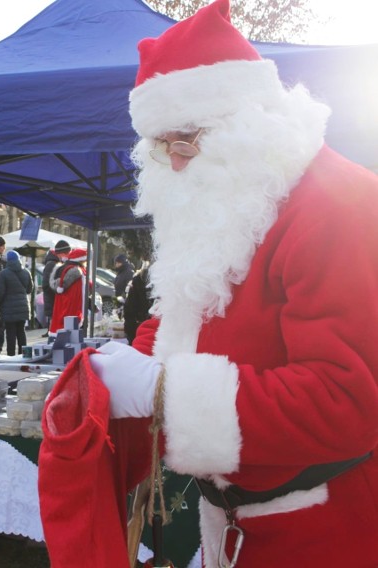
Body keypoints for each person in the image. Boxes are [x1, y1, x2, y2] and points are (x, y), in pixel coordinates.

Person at [87, 1, 377, 565]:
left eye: (185, 139)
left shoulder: (344, 205)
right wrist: (127, 360)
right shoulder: (231, 200)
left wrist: (158, 390)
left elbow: (348, 400)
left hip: (324, 525)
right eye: (159, 145)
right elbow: (187, 316)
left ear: (253, 119)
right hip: (230, 521)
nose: (174, 164)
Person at [0, 250, 33, 357]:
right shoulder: (26, 272)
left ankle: (11, 356)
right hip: (23, 306)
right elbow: (30, 289)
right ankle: (24, 355)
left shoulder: (3, 274)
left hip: (8, 308)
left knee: (10, 333)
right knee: (21, 331)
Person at [48, 248, 87, 334]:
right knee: (69, 326)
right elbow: (63, 284)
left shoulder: (66, 268)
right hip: (71, 303)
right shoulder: (75, 271)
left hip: (66, 302)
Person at [41, 239, 70, 334]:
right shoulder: (52, 264)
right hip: (53, 302)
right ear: (61, 253)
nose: (68, 255)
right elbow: (46, 284)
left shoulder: (57, 263)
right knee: (55, 332)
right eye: (67, 253)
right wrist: (58, 291)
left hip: (55, 302)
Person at [122, 263, 152, 346]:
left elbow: (129, 310)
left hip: (143, 329)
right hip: (144, 329)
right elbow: (129, 310)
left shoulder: (139, 279)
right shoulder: (139, 280)